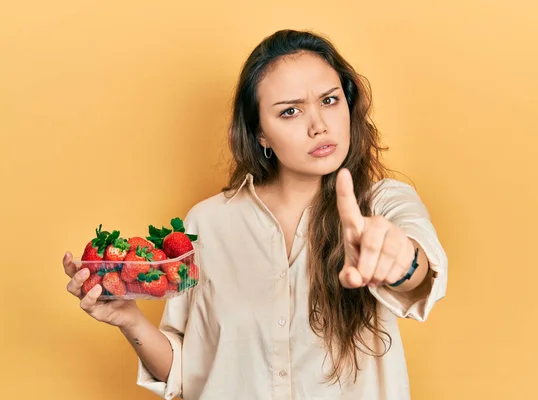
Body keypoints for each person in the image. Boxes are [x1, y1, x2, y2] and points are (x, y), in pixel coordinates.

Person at [63, 29, 448, 400]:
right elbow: (187, 373)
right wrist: (129, 319)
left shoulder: (383, 203)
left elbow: (419, 270)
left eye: (330, 100)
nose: (319, 126)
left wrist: (400, 262)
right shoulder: (207, 224)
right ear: (260, 133)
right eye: (290, 111)